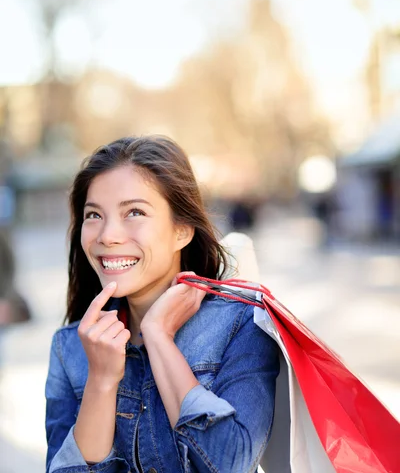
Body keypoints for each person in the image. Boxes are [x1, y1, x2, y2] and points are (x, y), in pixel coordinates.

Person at [45, 135, 279, 473]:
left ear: (182, 230)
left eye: (135, 212)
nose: (107, 235)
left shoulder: (243, 324)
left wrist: (158, 337)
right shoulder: (70, 347)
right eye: (93, 215)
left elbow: (229, 465)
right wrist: (101, 380)